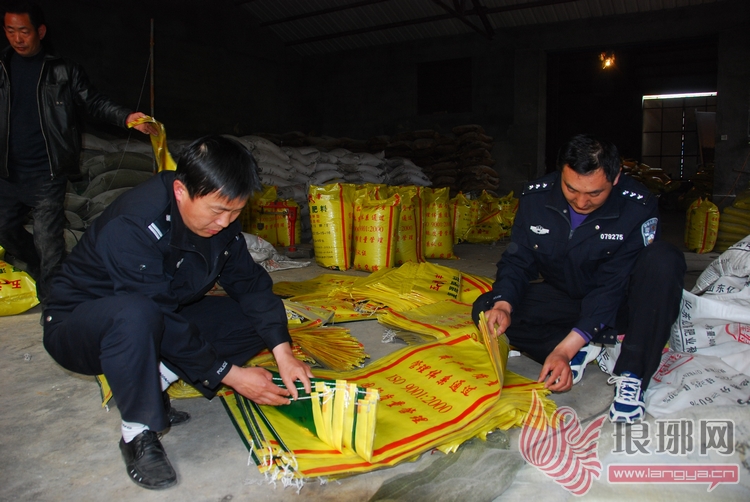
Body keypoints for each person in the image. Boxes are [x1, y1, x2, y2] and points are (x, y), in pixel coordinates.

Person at [43, 134, 314, 490]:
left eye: (235, 212)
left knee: (251, 318)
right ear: (180, 190)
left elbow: (250, 285)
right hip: (80, 327)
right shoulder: (134, 224)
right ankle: (137, 432)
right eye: (218, 211)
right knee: (137, 313)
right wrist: (231, 375)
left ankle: (154, 381)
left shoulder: (221, 222)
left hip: (154, 315)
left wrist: (284, 353)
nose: (226, 222)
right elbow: (154, 310)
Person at [472, 133, 686, 424]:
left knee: (664, 260)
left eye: (595, 193)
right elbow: (518, 260)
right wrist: (504, 305)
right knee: (487, 309)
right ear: (561, 173)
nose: (581, 202)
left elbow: (613, 285)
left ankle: (631, 371)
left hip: (622, 305)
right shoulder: (537, 198)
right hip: (569, 296)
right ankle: (582, 347)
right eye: (571, 189)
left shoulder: (636, 206)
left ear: (616, 178)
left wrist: (564, 348)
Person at [0, 1, 157, 305]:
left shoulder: (63, 71)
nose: (17, 38)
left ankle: (55, 304)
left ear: (40, 31)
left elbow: (94, 102)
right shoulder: (2, 68)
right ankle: (41, 269)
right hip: (8, 172)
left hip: (46, 172)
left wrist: (126, 117)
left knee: (49, 241)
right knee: (5, 230)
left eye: (24, 31)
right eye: (10, 31)